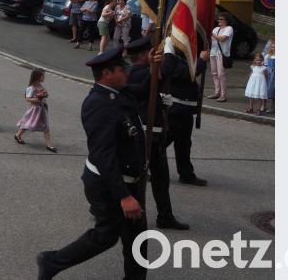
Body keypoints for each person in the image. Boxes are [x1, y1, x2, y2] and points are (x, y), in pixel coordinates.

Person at [36, 47, 147, 280]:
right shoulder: (98, 103)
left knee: (137, 237)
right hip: (108, 184)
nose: (126, 72)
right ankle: (51, 261)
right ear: (107, 73)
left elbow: (144, 89)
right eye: (121, 69)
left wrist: (158, 67)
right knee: (106, 235)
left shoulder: (118, 92)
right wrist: (123, 196)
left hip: (130, 180)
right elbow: (104, 155)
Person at [124, 36, 189, 230]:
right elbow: (168, 71)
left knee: (149, 176)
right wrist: (169, 49)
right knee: (157, 178)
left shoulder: (130, 71)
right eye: (152, 52)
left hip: (144, 131)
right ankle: (163, 216)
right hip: (149, 132)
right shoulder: (142, 72)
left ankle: (163, 215)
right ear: (145, 55)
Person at [162, 37, 210, 186]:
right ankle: (142, 166)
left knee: (183, 144)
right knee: (161, 143)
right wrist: (201, 61)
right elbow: (186, 73)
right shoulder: (169, 56)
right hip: (175, 108)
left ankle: (186, 174)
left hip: (185, 109)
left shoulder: (182, 56)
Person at [14, 68, 56, 152]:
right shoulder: (31, 88)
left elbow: (42, 96)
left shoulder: (40, 86)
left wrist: (43, 97)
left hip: (42, 109)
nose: (44, 77)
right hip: (34, 109)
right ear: (37, 77)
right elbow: (27, 99)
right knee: (28, 123)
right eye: (43, 76)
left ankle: (48, 145)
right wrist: (38, 99)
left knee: (46, 126)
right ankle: (18, 135)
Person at [206, 13, 233, 102]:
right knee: (214, 73)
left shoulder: (229, 29)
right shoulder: (216, 29)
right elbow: (211, 40)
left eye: (221, 19)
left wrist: (211, 34)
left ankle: (223, 95)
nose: (219, 21)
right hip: (213, 53)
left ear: (226, 20)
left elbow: (222, 39)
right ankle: (217, 92)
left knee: (221, 74)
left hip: (222, 53)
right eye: (218, 19)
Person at [262, 38, 275, 114]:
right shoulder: (268, 56)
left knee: (273, 91)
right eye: (273, 47)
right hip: (269, 75)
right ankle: (264, 106)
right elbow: (265, 65)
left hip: (274, 76)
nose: (274, 49)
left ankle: (272, 107)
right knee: (267, 90)